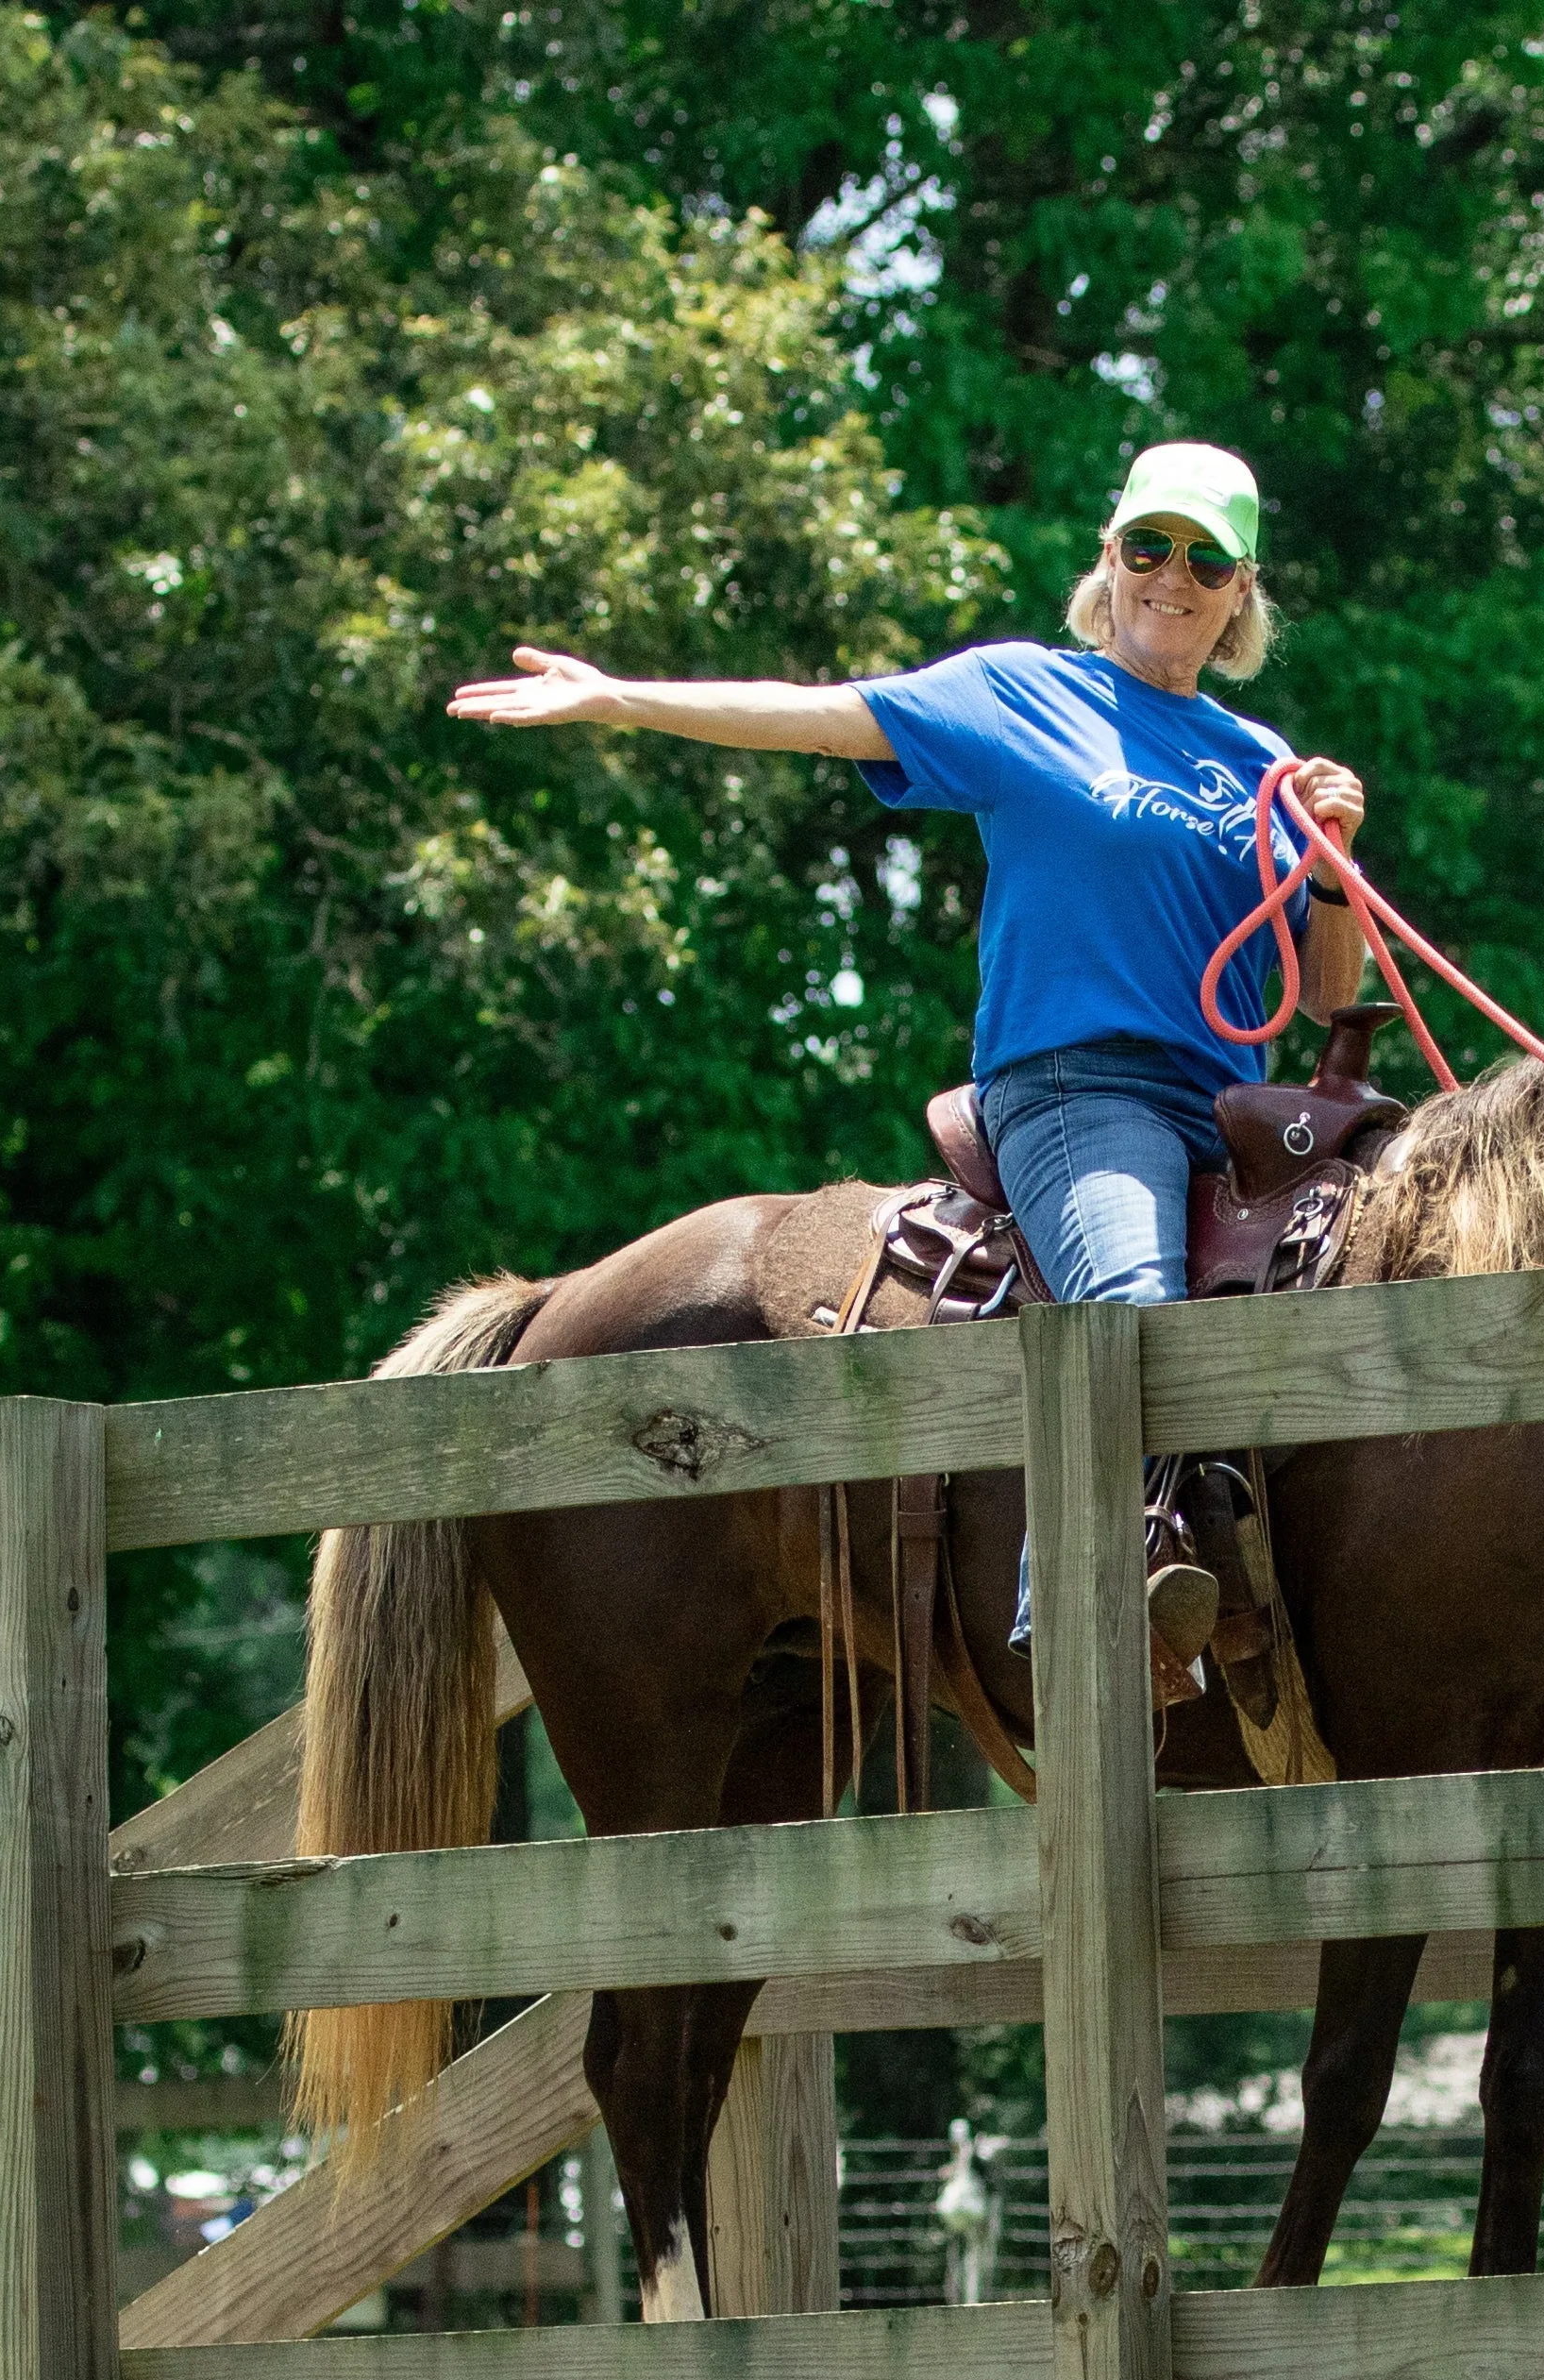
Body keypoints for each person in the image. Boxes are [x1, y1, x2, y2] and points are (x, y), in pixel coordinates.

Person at [452, 438, 1373, 1666]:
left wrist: (1327, 872)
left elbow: (1326, 996)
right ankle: (1082, 1625)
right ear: (1110, 561)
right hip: (1081, 1095)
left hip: (1235, 1115)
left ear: (1241, 592)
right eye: (1150, 546)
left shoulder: (1263, 764)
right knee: (1125, 1314)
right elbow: (820, 721)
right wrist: (622, 696)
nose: (1175, 576)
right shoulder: (1020, 694)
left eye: (1207, 559)